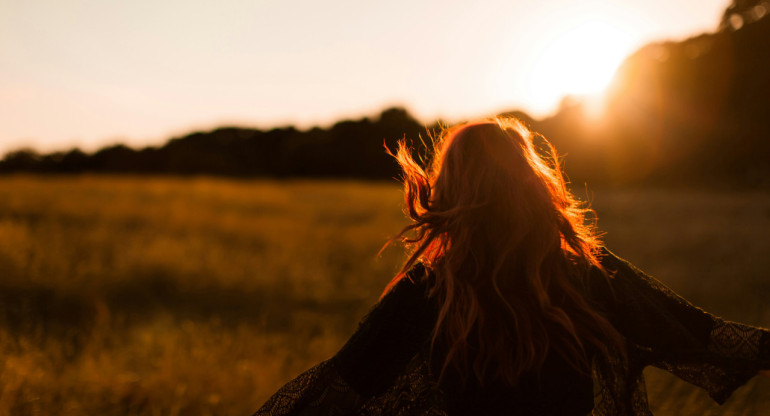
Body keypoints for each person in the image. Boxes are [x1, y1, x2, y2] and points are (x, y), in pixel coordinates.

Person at [254, 118, 769, 415]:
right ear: (532, 184)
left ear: (451, 190)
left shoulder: (428, 289)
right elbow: (711, 338)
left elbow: (335, 393)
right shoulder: (588, 273)